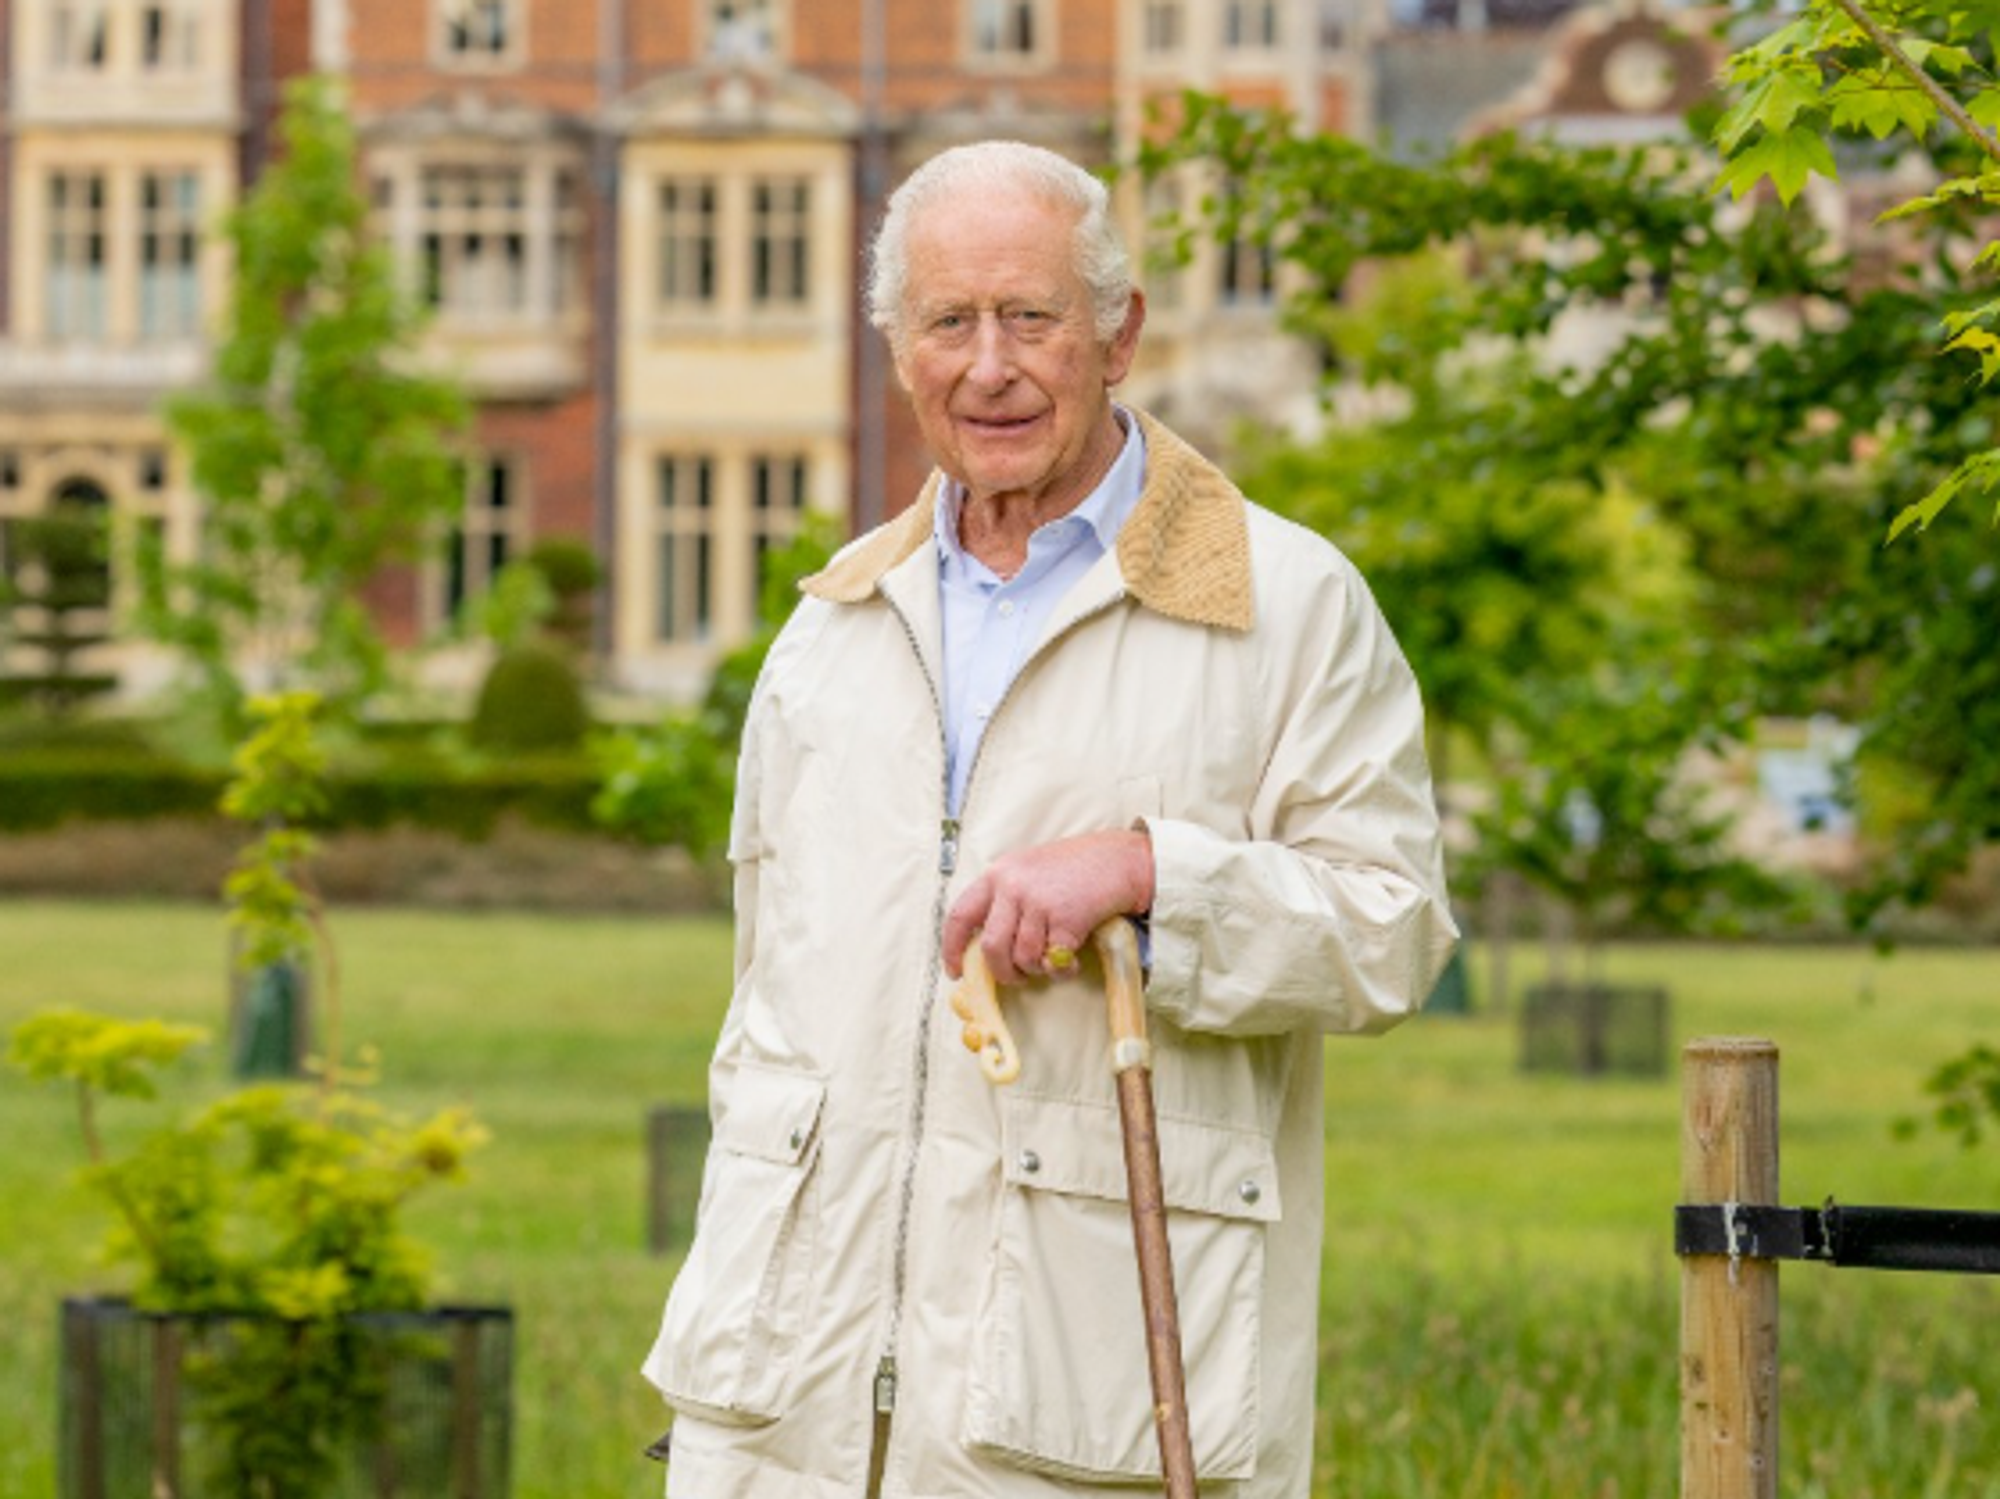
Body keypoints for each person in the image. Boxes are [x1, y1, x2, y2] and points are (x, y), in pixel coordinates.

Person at [642, 139, 1458, 1499]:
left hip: (1092, 1412)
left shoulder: (1289, 602)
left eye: (1032, 317)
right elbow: (761, 1019)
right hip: (785, 1413)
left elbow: (1392, 930)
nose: (989, 367)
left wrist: (1154, 876)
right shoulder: (831, 628)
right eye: (948, 323)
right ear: (899, 349)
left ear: (1119, 335)